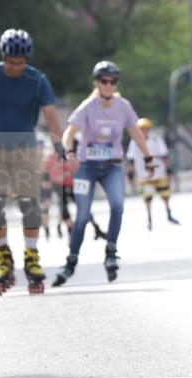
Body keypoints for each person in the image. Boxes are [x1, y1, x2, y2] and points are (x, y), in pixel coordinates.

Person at [0, 28, 65, 294]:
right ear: (3, 57)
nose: (16, 67)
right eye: (11, 62)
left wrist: (59, 144)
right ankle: (4, 256)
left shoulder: (37, 80)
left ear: (26, 59)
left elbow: (50, 113)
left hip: (26, 149)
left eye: (20, 62)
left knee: (29, 204)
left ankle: (31, 256)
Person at [53, 61, 154, 286]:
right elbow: (69, 133)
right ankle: (71, 261)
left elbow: (136, 134)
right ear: (97, 83)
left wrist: (148, 157)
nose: (108, 85)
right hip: (86, 168)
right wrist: (69, 152)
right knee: (81, 215)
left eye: (113, 81)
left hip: (111, 166)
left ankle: (110, 251)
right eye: (104, 81)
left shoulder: (123, 106)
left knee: (118, 205)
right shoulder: (88, 106)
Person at [125, 117, 179, 230]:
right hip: (144, 174)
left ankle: (169, 214)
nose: (144, 131)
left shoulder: (155, 140)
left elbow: (164, 155)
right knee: (147, 198)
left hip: (159, 173)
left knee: (165, 195)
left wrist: (168, 171)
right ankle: (149, 219)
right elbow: (130, 159)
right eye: (142, 129)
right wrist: (130, 174)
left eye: (146, 129)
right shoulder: (135, 142)